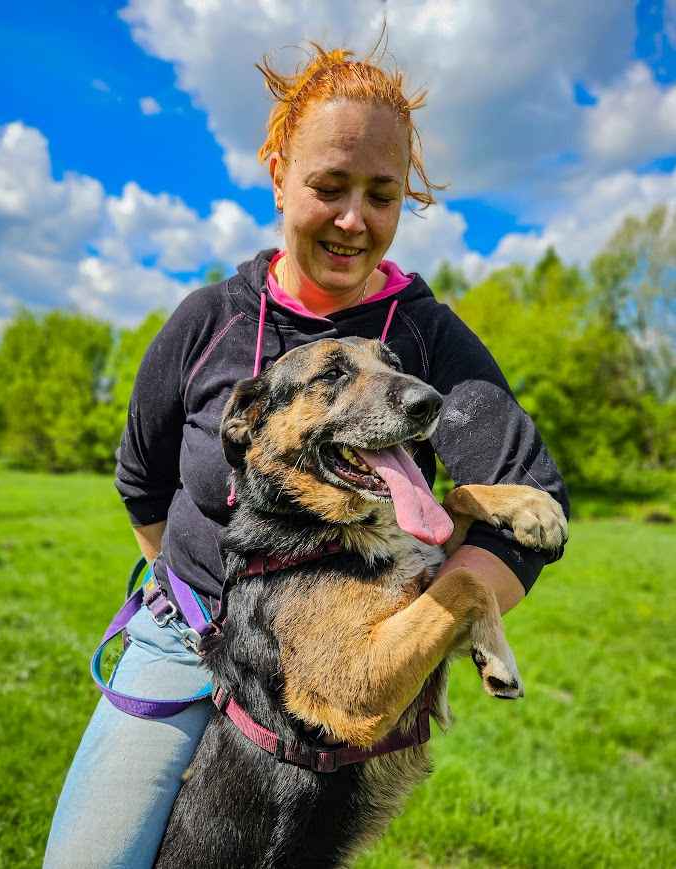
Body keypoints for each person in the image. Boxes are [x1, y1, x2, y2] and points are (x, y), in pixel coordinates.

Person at [44, 42, 569, 868]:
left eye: (381, 194)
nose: (353, 218)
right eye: (329, 186)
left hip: (344, 648)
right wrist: (189, 598)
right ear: (280, 177)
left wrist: (443, 600)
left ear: (404, 201)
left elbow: (528, 494)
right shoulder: (209, 318)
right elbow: (141, 478)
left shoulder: (426, 335)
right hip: (186, 642)